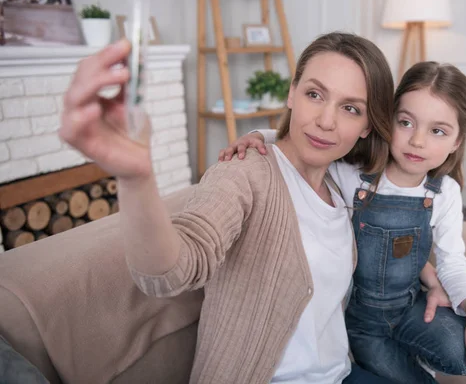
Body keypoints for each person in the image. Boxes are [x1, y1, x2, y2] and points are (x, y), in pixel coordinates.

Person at [59, 31, 408, 384]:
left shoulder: (343, 183)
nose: (326, 120)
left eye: (350, 108)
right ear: (292, 93)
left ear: (367, 126)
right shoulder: (245, 171)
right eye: (314, 94)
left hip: (341, 374)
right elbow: (174, 269)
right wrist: (136, 178)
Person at [219, 61, 466, 383]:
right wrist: (259, 135)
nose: (417, 141)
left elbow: (453, 262)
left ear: (457, 141)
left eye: (438, 131)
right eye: (406, 123)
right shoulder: (353, 176)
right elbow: (304, 146)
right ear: (387, 121)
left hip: (409, 307)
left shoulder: (446, 193)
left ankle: (410, 347)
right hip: (361, 322)